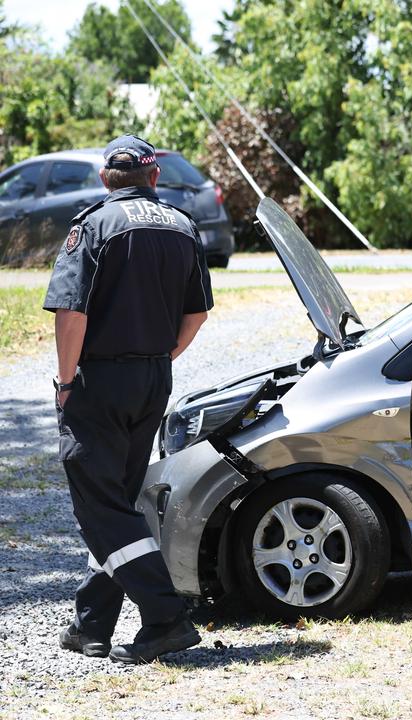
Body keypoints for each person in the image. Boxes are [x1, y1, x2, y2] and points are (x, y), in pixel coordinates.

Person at [44, 134, 212, 665]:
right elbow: (197, 314)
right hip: (152, 379)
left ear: (104, 180)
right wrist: (160, 360)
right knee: (118, 499)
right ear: (154, 177)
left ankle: (167, 617)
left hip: (98, 383)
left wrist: (66, 382)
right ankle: (91, 625)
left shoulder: (92, 226)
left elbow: (71, 314)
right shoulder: (185, 226)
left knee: (101, 509)